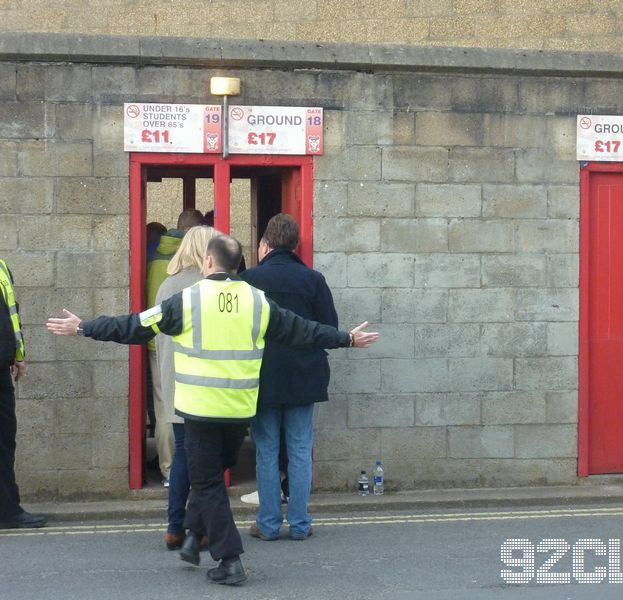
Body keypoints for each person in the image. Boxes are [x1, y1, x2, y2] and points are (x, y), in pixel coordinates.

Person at [47, 235, 378, 586]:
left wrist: (84, 327)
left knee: (206, 484)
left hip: (201, 413)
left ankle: (229, 559)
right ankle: (192, 535)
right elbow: (303, 331)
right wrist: (347, 339)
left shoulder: (187, 300)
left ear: (207, 262)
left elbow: (134, 325)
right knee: (211, 476)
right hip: (239, 413)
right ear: (238, 266)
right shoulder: (258, 301)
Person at [241, 214, 337, 542]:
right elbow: (329, 330)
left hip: (262, 376)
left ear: (265, 243)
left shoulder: (249, 279)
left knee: (266, 449)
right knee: (299, 448)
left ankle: (268, 524)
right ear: (295, 244)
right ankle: (299, 523)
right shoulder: (313, 280)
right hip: (304, 376)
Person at [155, 225, 222, 551]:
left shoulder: (168, 285)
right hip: (203, 382)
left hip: (172, 377)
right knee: (204, 459)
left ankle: (173, 527)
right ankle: (200, 527)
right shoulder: (206, 286)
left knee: (183, 454)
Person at [147, 209, 204, 485]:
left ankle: (169, 468)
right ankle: (191, 466)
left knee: (164, 406)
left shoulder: (153, 255)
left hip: (156, 340)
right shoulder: (197, 264)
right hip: (194, 341)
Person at [0, 259, 46, 529]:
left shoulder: (3, 266)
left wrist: (19, 356)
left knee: (5, 443)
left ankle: (7, 509)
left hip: (2, 368)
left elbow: (11, 314)